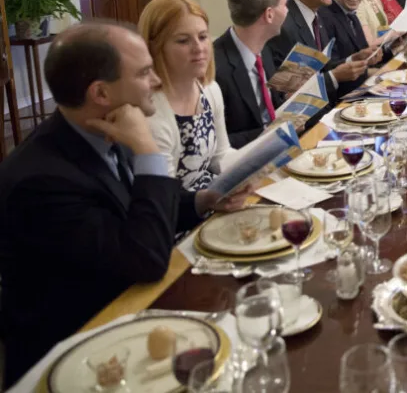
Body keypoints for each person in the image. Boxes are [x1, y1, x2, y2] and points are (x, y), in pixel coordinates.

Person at [0, 22, 246, 383]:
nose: (157, 82)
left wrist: (201, 201)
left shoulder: (101, 126)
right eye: (145, 73)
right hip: (81, 354)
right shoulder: (41, 180)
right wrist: (147, 150)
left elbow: (135, 206)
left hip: (128, 312)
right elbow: (145, 258)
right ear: (101, 93)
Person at [139, 0, 234, 192]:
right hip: (181, 211)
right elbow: (164, 195)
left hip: (211, 195)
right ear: (156, 48)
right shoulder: (151, 110)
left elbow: (220, 155)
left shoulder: (209, 90)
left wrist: (256, 166)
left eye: (203, 36)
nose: (198, 48)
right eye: (183, 41)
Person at [265, 0, 373, 105]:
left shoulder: (319, 16)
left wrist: (350, 60)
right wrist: (334, 77)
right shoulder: (283, 26)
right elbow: (289, 92)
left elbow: (320, 67)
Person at [214, 0, 288, 148]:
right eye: (285, 5)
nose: (287, 11)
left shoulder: (265, 48)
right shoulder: (215, 68)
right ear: (269, 14)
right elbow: (213, 147)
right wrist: (267, 132)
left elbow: (272, 104)